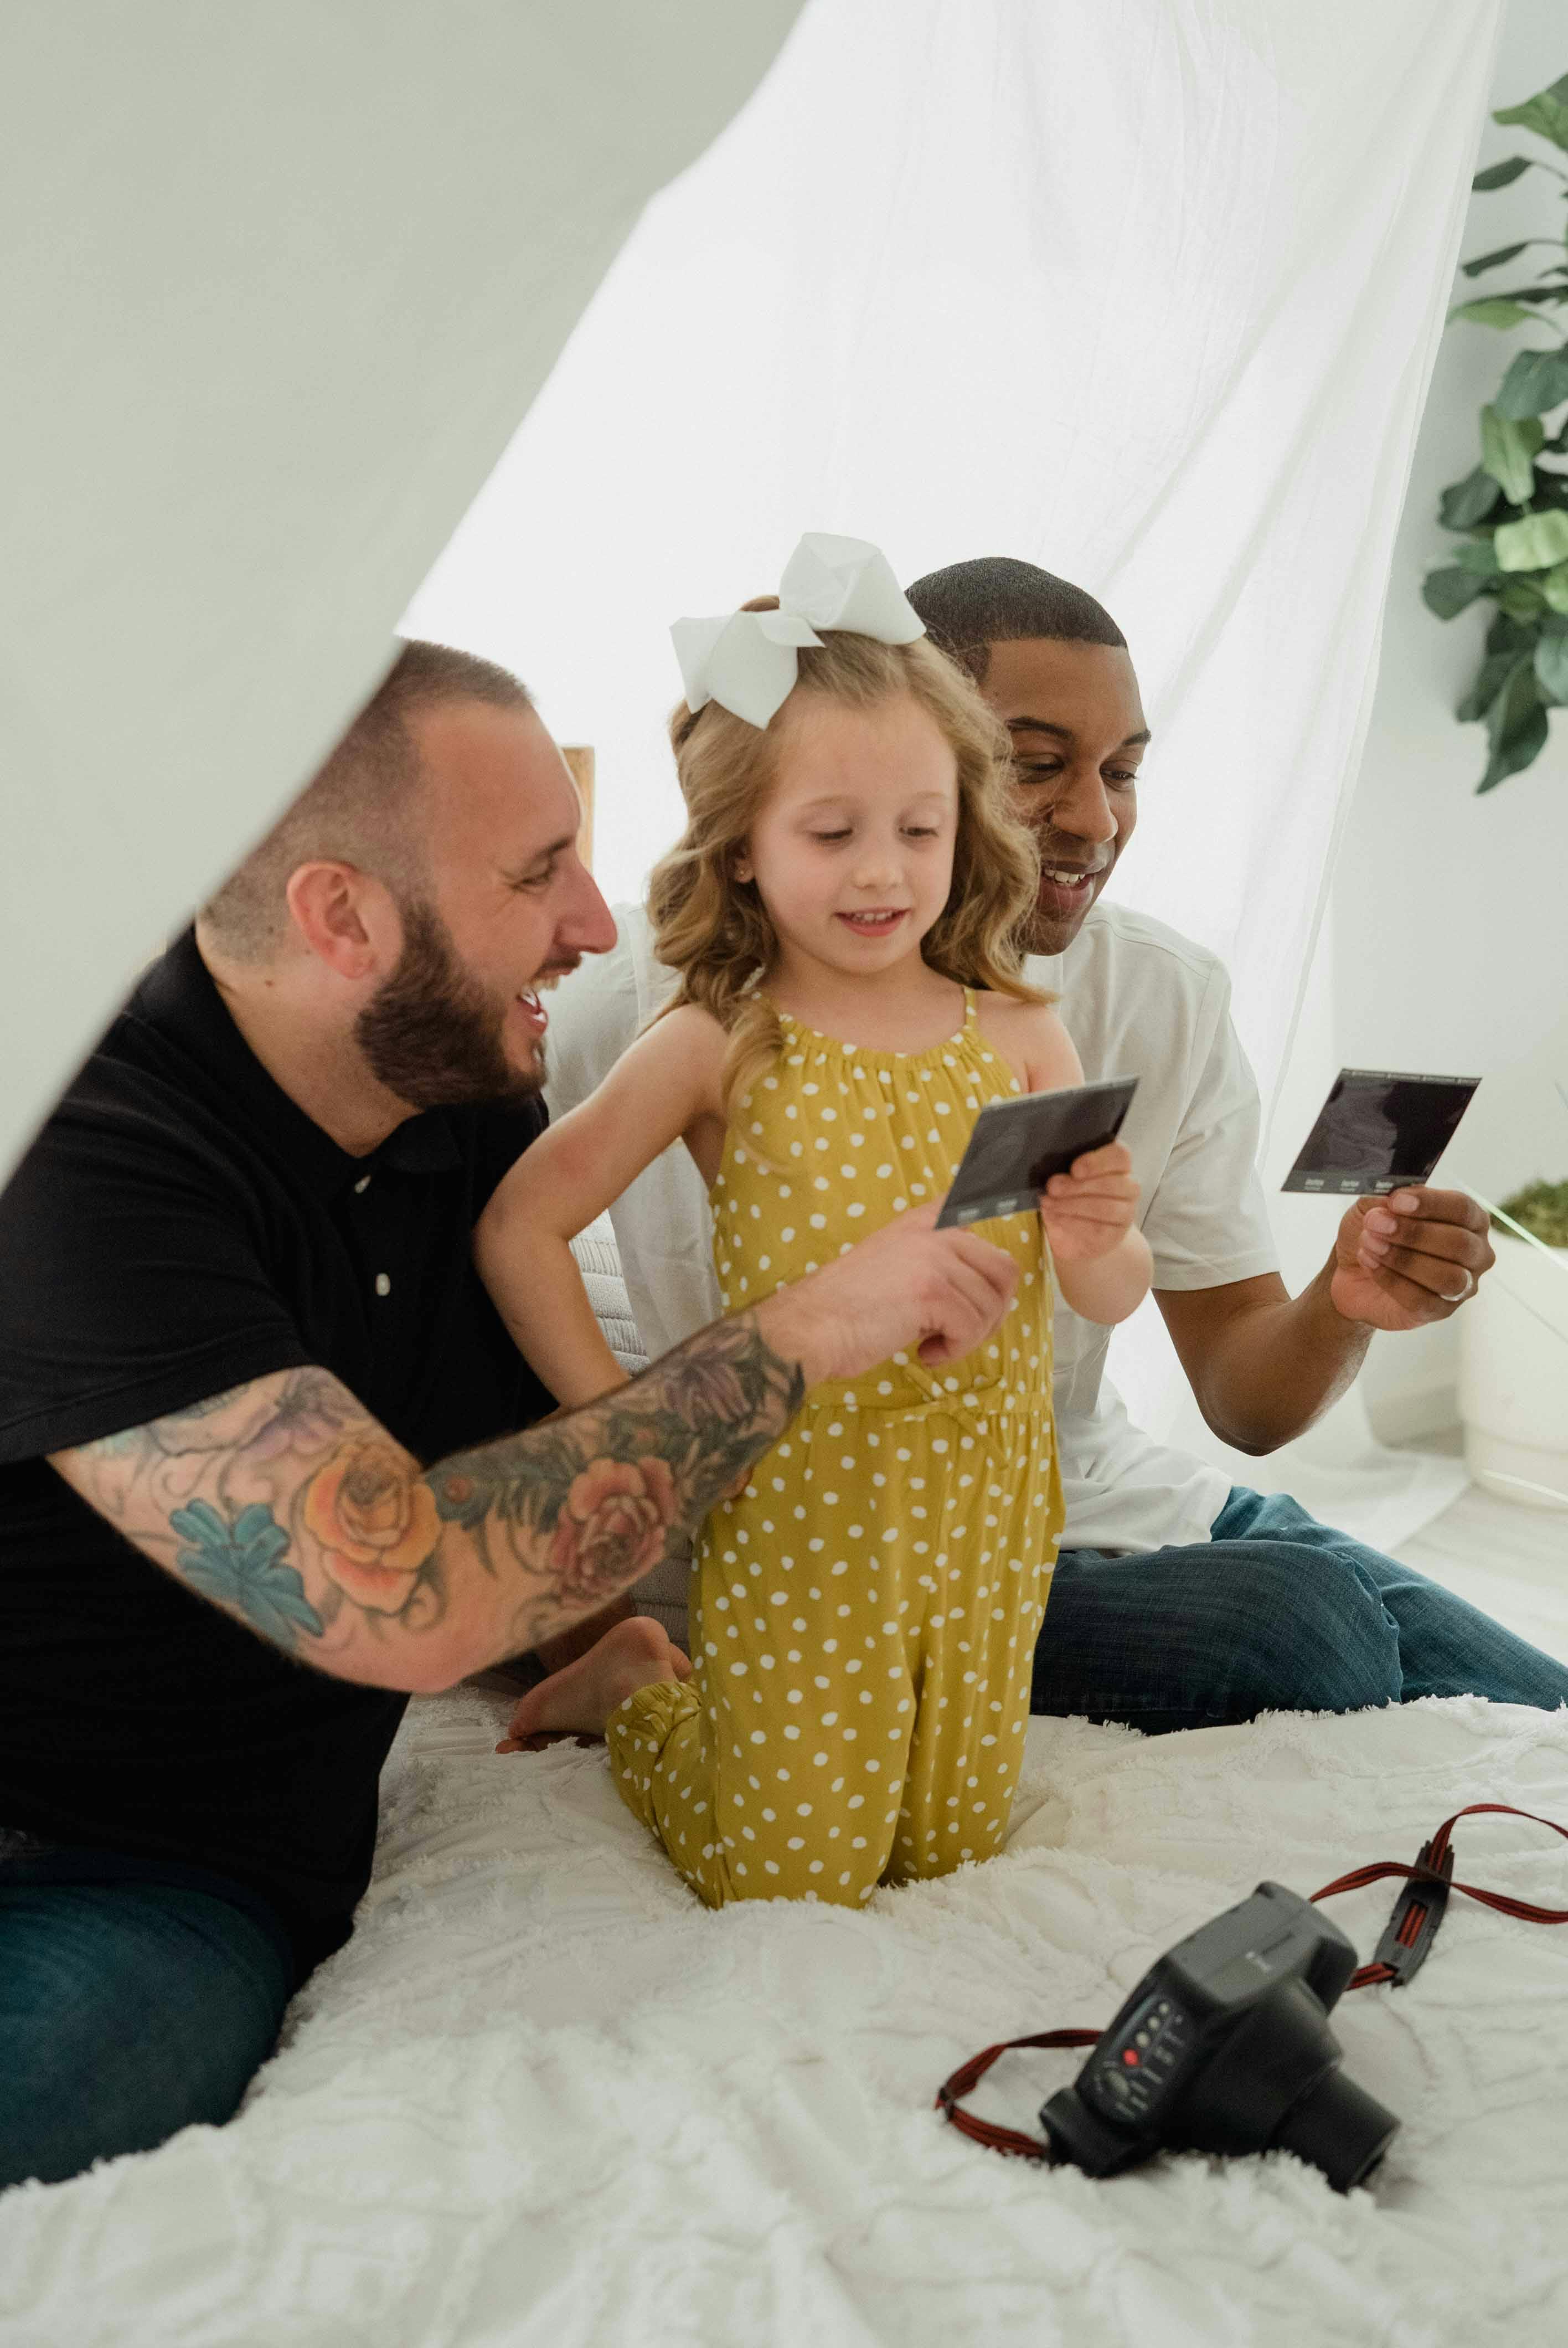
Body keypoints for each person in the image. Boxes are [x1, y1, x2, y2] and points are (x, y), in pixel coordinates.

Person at [0, 640, 1025, 2190]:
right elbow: (400, 1591)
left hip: (199, 1857)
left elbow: (513, 1467)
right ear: (340, 917)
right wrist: (813, 1328)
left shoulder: (474, 1100)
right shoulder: (86, 1142)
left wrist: (579, 1645)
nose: (600, 922)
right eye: (541, 873)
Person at [544, 556, 1568, 1729]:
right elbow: (497, 1252)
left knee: (1532, 1701)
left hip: (1103, 1497)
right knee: (1308, 1620)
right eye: (1038, 766)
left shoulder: (1145, 998)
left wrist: (1343, 1300)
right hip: (857, 1546)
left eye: (1124, 770)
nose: (1097, 816)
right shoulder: (655, 1005)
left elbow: (1242, 1393)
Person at [481, 537, 1151, 1904]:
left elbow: (1109, 1293)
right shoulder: (720, 1039)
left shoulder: (1023, 1030)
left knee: (946, 1852)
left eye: (920, 828)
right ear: (740, 849)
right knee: (786, 1877)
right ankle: (632, 1696)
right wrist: (637, 1435)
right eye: (831, 833)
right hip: (798, 1510)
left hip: (991, 1508)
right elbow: (518, 1230)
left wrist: (1098, 1235)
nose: (883, 873)